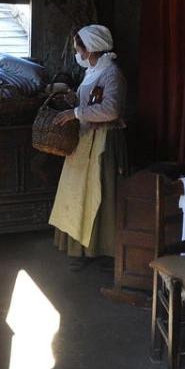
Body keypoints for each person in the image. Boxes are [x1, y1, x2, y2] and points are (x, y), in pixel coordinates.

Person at [48, 24, 128, 270]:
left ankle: (101, 249)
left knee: (98, 194)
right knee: (76, 193)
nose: (77, 54)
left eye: (78, 49)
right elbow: (92, 100)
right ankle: (80, 249)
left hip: (104, 142)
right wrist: (75, 100)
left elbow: (111, 110)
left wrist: (75, 112)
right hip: (86, 140)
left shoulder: (111, 74)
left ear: (90, 49)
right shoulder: (94, 71)